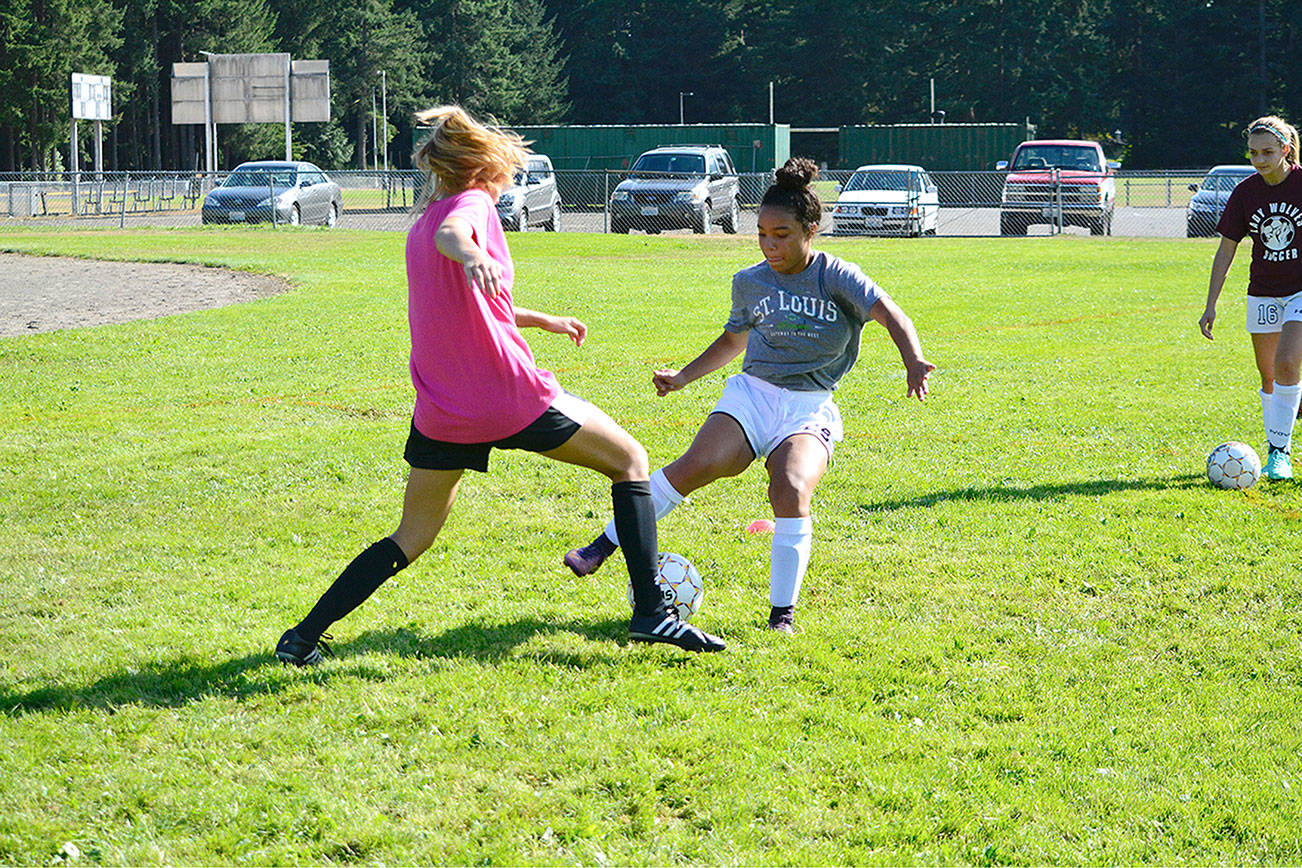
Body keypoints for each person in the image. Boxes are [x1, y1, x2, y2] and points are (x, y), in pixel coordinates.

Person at [275, 105, 725, 665]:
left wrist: (543, 320)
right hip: (508, 399)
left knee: (409, 538)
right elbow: (455, 235)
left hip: (442, 411)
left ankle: (303, 635)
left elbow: (471, 308)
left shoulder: (420, 224)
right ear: (485, 163)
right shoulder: (471, 206)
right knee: (631, 460)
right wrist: (469, 252)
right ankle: (653, 614)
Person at [563, 157, 935, 634]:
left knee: (792, 487)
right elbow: (733, 341)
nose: (769, 245)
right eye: (761, 233)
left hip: (809, 405)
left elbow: (894, 316)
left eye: (781, 234)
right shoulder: (750, 281)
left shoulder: (837, 276)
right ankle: (603, 546)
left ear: (811, 230)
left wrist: (912, 359)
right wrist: (683, 377)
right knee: (695, 465)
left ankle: (783, 615)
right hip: (752, 395)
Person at [1199, 115, 1302, 480]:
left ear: (1285, 151)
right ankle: (1286, 430)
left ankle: (1278, 455)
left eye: (1267, 152)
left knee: (1288, 362)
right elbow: (1226, 250)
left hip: (1300, 292)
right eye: (1253, 153)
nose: (1259, 160)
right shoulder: (1245, 192)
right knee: (1270, 375)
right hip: (1262, 293)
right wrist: (1211, 304)